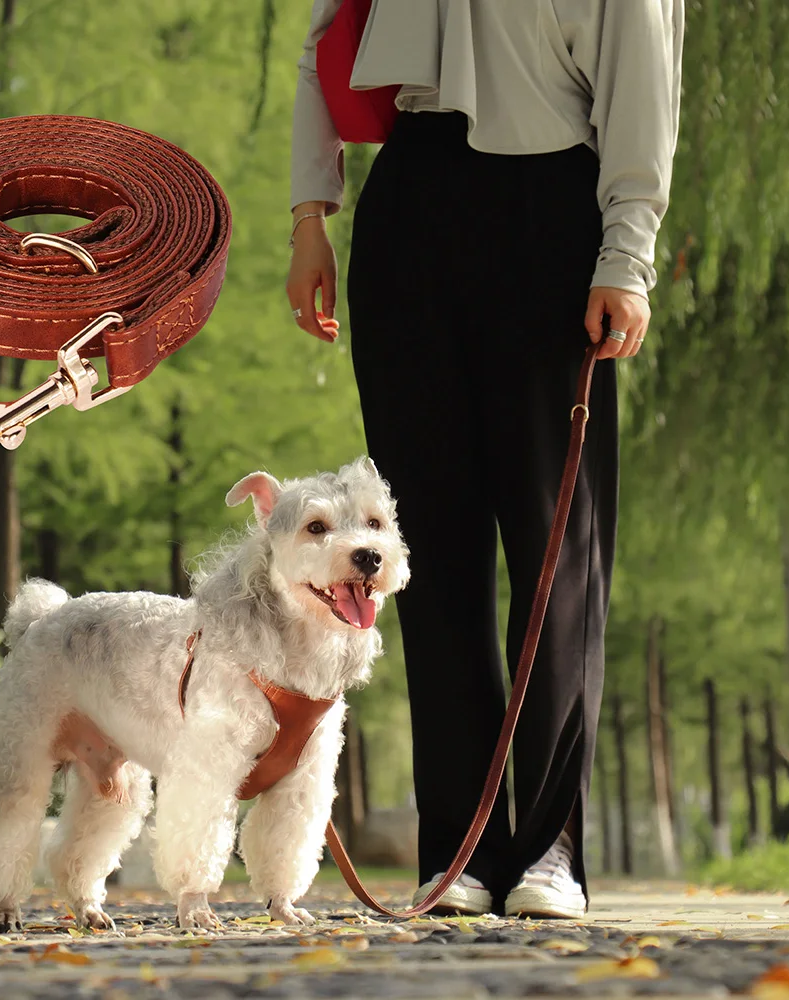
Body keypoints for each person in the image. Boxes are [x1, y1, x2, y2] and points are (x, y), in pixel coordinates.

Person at [285, 0, 683, 918]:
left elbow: (642, 73)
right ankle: (456, 851)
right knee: (424, 550)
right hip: (408, 205)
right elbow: (325, 40)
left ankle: (551, 850)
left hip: (552, 208)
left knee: (555, 551)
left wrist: (627, 255)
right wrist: (311, 216)